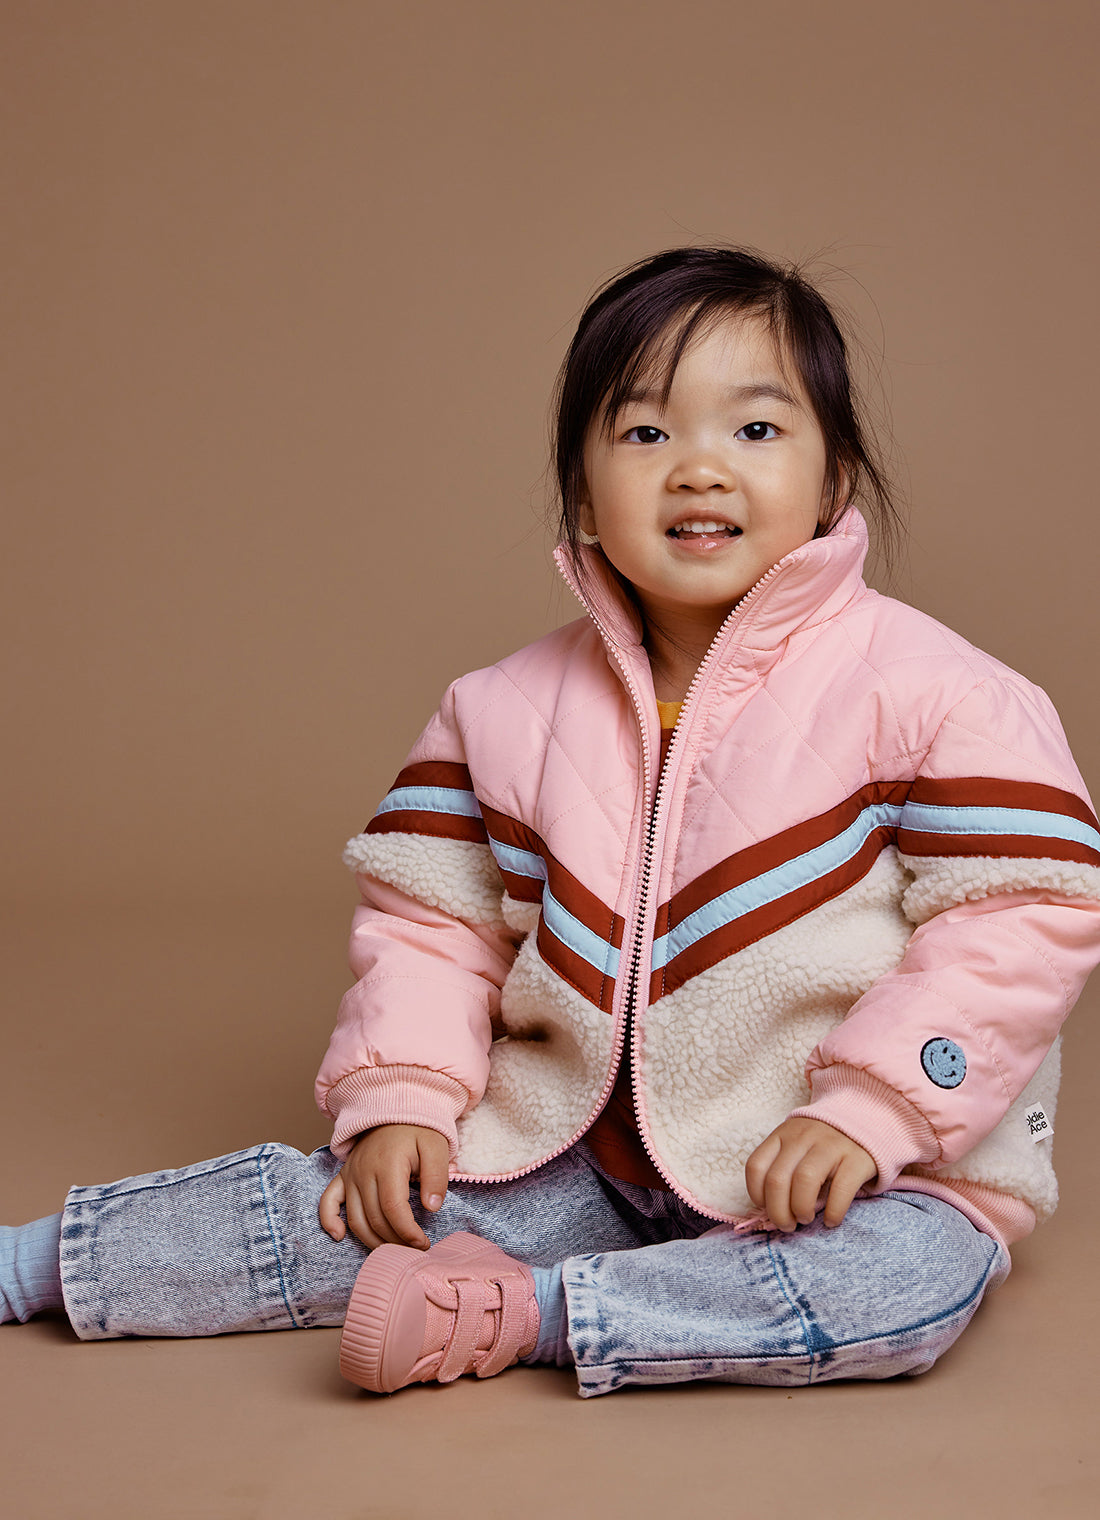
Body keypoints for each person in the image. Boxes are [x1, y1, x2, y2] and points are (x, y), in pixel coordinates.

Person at [4, 247, 1098, 1400]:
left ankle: (519, 1313)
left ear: (835, 480)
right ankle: (37, 1265)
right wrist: (402, 1100)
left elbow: (1019, 914)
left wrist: (876, 1109)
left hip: (844, 1169)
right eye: (643, 435)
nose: (698, 473)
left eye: (756, 432)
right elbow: (435, 924)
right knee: (350, 1196)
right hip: (576, 1150)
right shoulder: (502, 707)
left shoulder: (937, 693)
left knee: (901, 1287)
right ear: (580, 482)